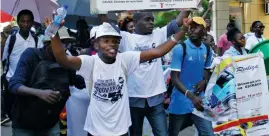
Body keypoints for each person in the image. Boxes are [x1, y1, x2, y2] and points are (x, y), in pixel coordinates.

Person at [50, 19, 191, 136]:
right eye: (106, 41)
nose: (112, 44)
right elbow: (63, 59)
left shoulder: (125, 59)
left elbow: (157, 52)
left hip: (121, 130)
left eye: (115, 41)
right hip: (96, 130)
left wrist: (182, 30)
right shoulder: (89, 62)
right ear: (96, 45)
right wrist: (54, 32)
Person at [86, 0, 191, 135]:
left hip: (156, 99)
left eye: (152, 19)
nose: (151, 22)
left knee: (162, 133)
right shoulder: (124, 38)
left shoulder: (159, 33)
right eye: (147, 19)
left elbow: (179, 20)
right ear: (135, 22)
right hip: (133, 98)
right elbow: (106, 24)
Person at [8, 26, 81, 136]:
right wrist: (40, 93)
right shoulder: (31, 55)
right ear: (48, 43)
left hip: (51, 123)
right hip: (25, 124)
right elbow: (14, 85)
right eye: (60, 43)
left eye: (66, 43)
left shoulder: (66, 61)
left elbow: (78, 82)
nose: (64, 48)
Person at [168, 17, 213, 136]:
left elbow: (207, 69)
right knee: (172, 133)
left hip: (199, 101)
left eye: (196, 27)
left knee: (208, 133)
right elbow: (174, 78)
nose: (192, 30)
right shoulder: (180, 48)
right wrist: (191, 96)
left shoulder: (207, 49)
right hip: (180, 102)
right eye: (190, 27)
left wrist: (204, 80)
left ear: (204, 31)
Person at [1, 10, 43, 121]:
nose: (25, 24)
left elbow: (41, 62)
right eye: (22, 21)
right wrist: (6, 77)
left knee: (27, 117)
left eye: (28, 21)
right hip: (12, 84)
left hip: (30, 86)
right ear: (18, 22)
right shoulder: (12, 39)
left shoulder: (37, 41)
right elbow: (5, 59)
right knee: (13, 114)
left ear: (32, 23)